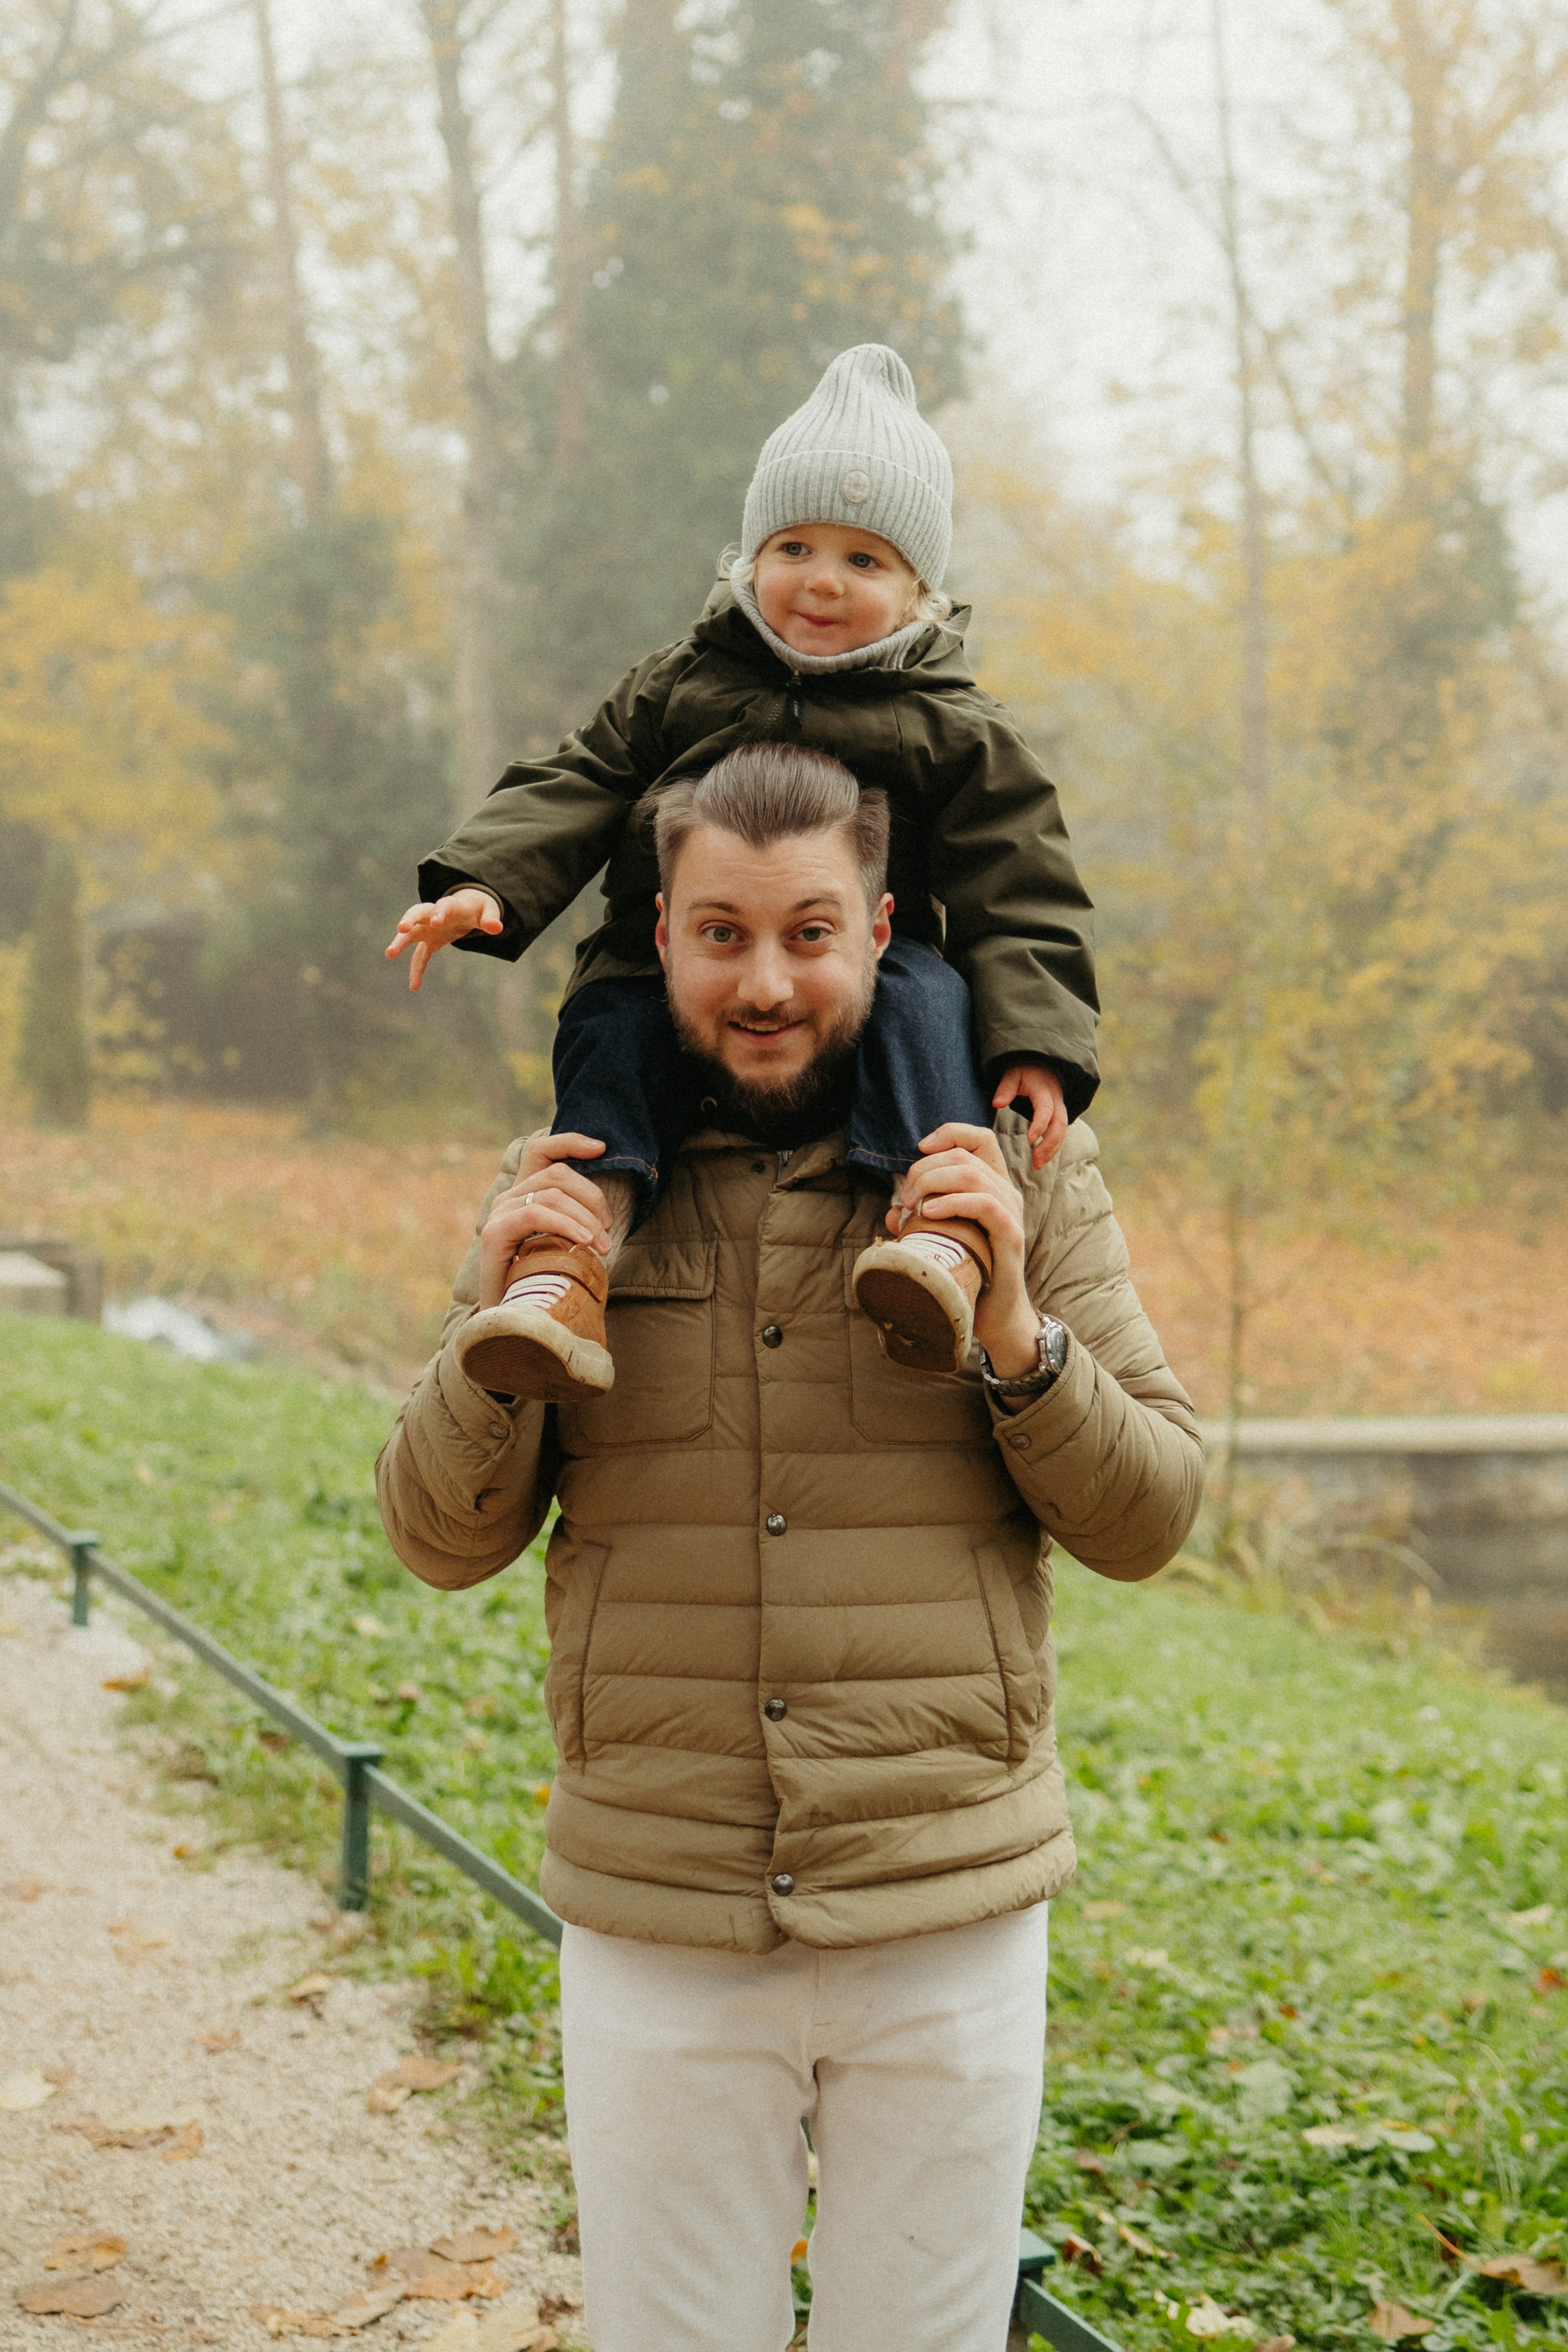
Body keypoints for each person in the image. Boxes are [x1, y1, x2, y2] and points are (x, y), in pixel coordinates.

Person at [377, 742, 1203, 2352]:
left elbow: (1153, 1514)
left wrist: (1019, 1335)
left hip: (945, 1910)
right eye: (721, 933)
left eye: (809, 933)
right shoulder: (570, 1191)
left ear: (880, 929)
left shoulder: (1016, 1169)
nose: (765, 981)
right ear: (661, 936)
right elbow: (435, 1541)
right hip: (660, 1916)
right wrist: (490, 1326)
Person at [384, 343, 1099, 1402]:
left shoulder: (956, 728)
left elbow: (1023, 885)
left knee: (929, 1005)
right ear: (748, 555)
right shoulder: (686, 679)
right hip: (666, 958)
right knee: (605, 1030)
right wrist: (488, 882)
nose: (820, 580)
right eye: (796, 545)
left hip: (868, 966)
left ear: (918, 595)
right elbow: (583, 776)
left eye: (865, 562)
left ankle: (939, 1236)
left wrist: (1037, 1043)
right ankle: (568, 1263)